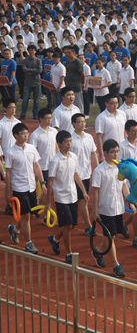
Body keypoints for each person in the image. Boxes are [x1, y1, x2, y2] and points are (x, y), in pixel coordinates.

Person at [46, 130, 90, 264]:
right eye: (66, 142)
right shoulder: (55, 160)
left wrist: (83, 191)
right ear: (59, 144)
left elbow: (76, 174)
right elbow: (51, 181)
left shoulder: (73, 157)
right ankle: (69, 253)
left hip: (73, 195)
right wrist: (48, 202)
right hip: (61, 197)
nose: (69, 144)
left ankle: (54, 239)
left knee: (71, 226)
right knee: (68, 224)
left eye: (70, 141)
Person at [6, 123, 46, 254]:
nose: (26, 136)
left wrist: (42, 182)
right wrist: (8, 191)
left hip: (31, 187)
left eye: (27, 133)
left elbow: (37, 166)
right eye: (23, 133)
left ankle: (15, 229)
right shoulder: (10, 152)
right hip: (19, 188)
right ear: (16, 135)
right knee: (26, 216)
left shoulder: (31, 149)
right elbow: (9, 173)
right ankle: (29, 243)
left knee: (28, 214)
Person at [70, 113, 98, 235]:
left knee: (82, 200)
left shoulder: (89, 137)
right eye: (80, 122)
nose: (83, 124)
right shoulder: (70, 140)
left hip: (86, 174)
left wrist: (97, 168)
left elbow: (93, 154)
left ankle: (80, 223)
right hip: (74, 175)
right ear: (73, 124)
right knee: (81, 200)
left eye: (84, 121)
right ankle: (88, 226)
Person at [29, 107, 58, 221]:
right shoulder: (35, 135)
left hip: (53, 166)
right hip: (42, 167)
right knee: (47, 191)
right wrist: (35, 170)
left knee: (50, 192)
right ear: (40, 119)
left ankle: (37, 204)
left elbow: (56, 147)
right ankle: (47, 216)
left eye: (50, 118)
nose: (49, 120)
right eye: (47, 118)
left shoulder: (54, 131)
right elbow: (33, 152)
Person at [95, 94, 127, 162]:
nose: (115, 106)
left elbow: (124, 132)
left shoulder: (122, 114)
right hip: (110, 152)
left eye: (116, 103)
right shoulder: (101, 118)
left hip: (122, 150)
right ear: (106, 104)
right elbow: (99, 137)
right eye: (112, 103)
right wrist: (101, 155)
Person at [20, 45, 43, 120]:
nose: (31, 51)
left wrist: (30, 71)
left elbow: (39, 70)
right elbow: (24, 69)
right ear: (28, 51)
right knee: (25, 100)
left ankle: (35, 114)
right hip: (27, 83)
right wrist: (34, 70)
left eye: (33, 50)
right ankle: (23, 114)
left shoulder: (38, 60)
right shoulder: (25, 60)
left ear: (35, 51)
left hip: (37, 83)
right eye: (30, 50)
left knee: (36, 101)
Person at [64, 46, 86, 113]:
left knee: (78, 102)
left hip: (77, 85)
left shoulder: (78, 62)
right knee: (70, 101)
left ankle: (81, 115)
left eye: (69, 53)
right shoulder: (67, 62)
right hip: (69, 84)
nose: (67, 54)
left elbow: (82, 74)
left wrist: (82, 83)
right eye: (66, 53)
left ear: (74, 53)